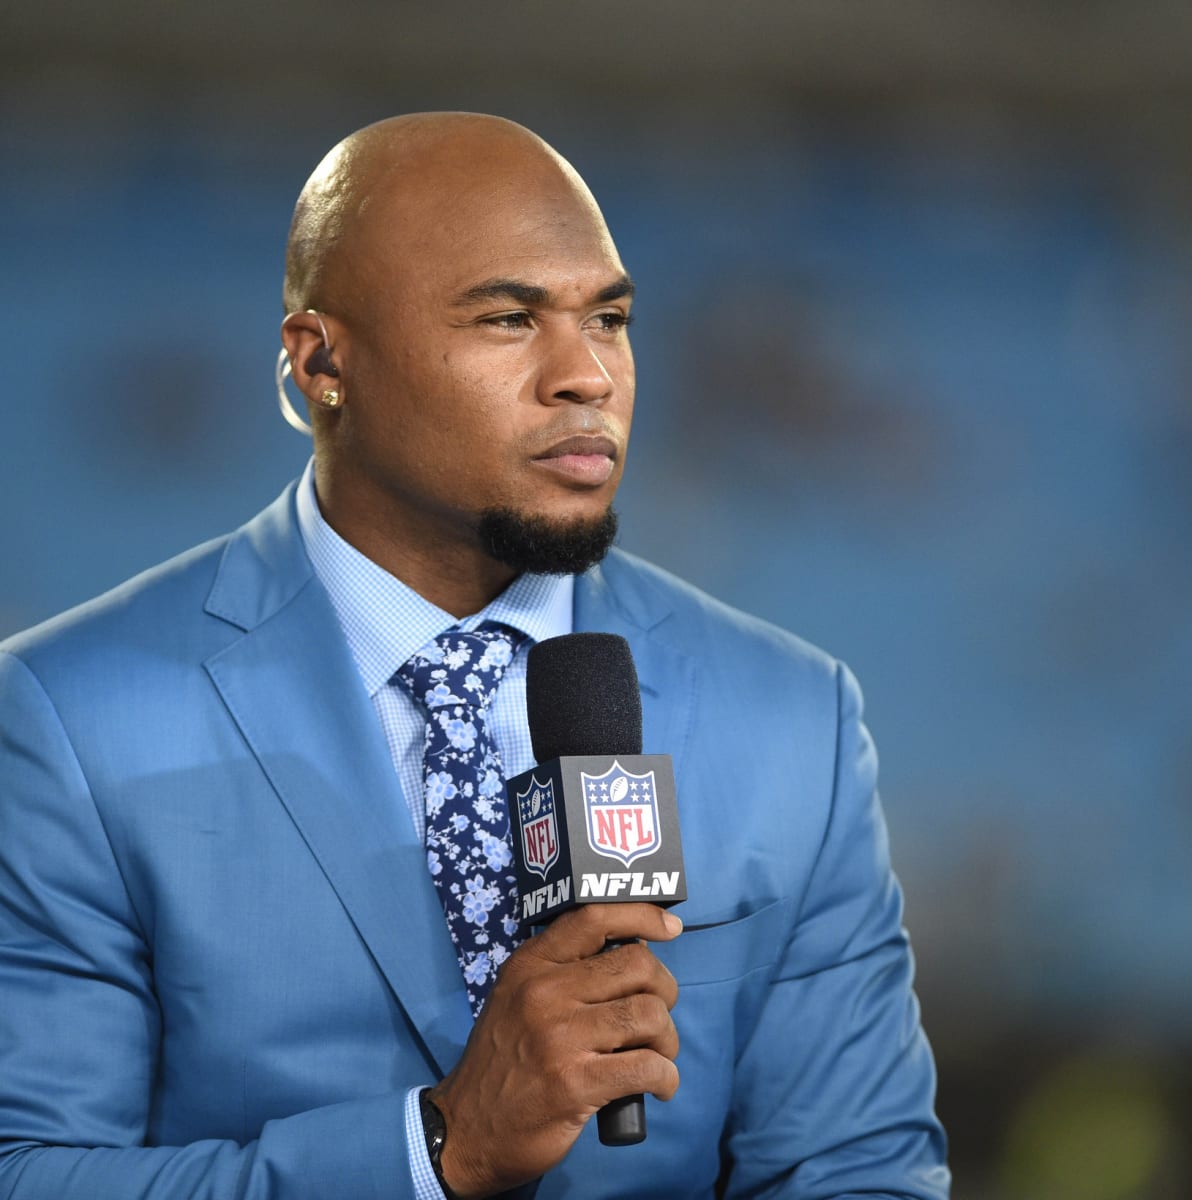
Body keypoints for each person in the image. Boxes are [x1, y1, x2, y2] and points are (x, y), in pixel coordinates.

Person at [0, 112, 949, 1199]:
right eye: (509, 317)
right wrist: (435, 1149)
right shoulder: (67, 717)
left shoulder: (793, 716)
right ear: (322, 362)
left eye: (611, 316)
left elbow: (859, 1175)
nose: (587, 374)